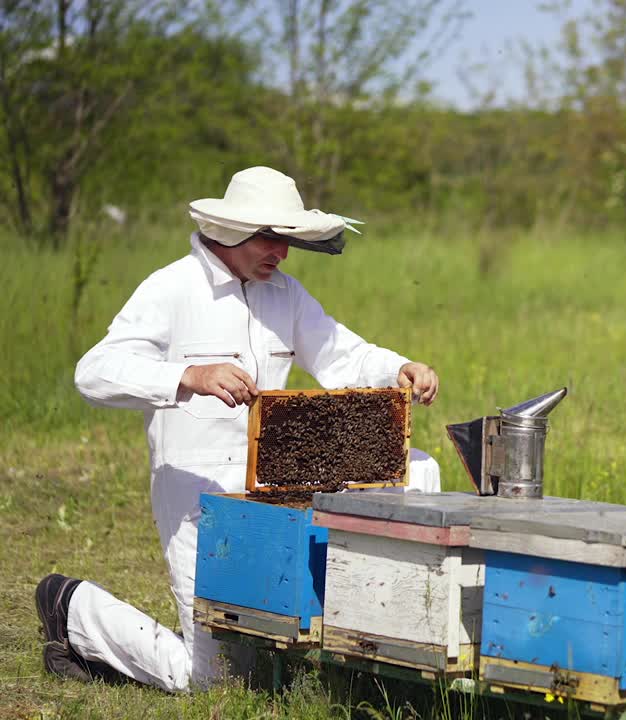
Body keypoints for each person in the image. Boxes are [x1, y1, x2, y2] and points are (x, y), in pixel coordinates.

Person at [35, 166, 441, 692]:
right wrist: (188, 375)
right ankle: (72, 608)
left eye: (287, 239)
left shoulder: (286, 295)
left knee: (420, 467)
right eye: (270, 238)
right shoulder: (171, 289)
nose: (282, 252)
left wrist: (399, 369)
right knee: (214, 681)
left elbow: (344, 353)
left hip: (275, 489)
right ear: (229, 231)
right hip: (194, 493)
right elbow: (94, 373)